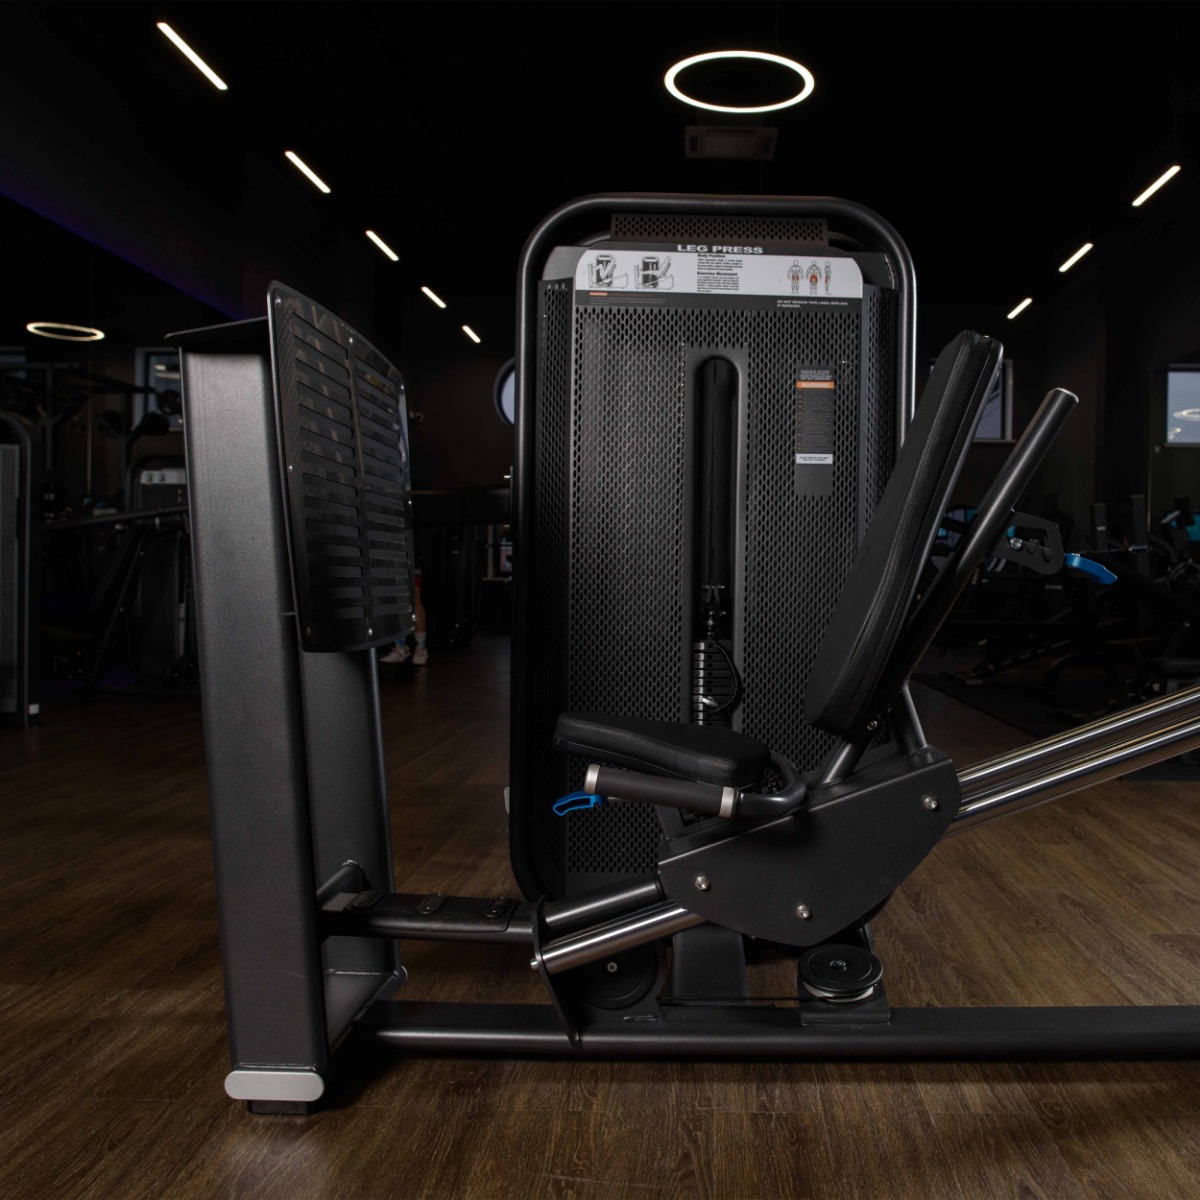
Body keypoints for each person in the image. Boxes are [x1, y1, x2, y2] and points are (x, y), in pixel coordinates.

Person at [381, 567, 428, 665]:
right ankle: (401, 647)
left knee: (413, 595)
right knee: (395, 597)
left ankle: (421, 648)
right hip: (392, 561)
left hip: (410, 561)